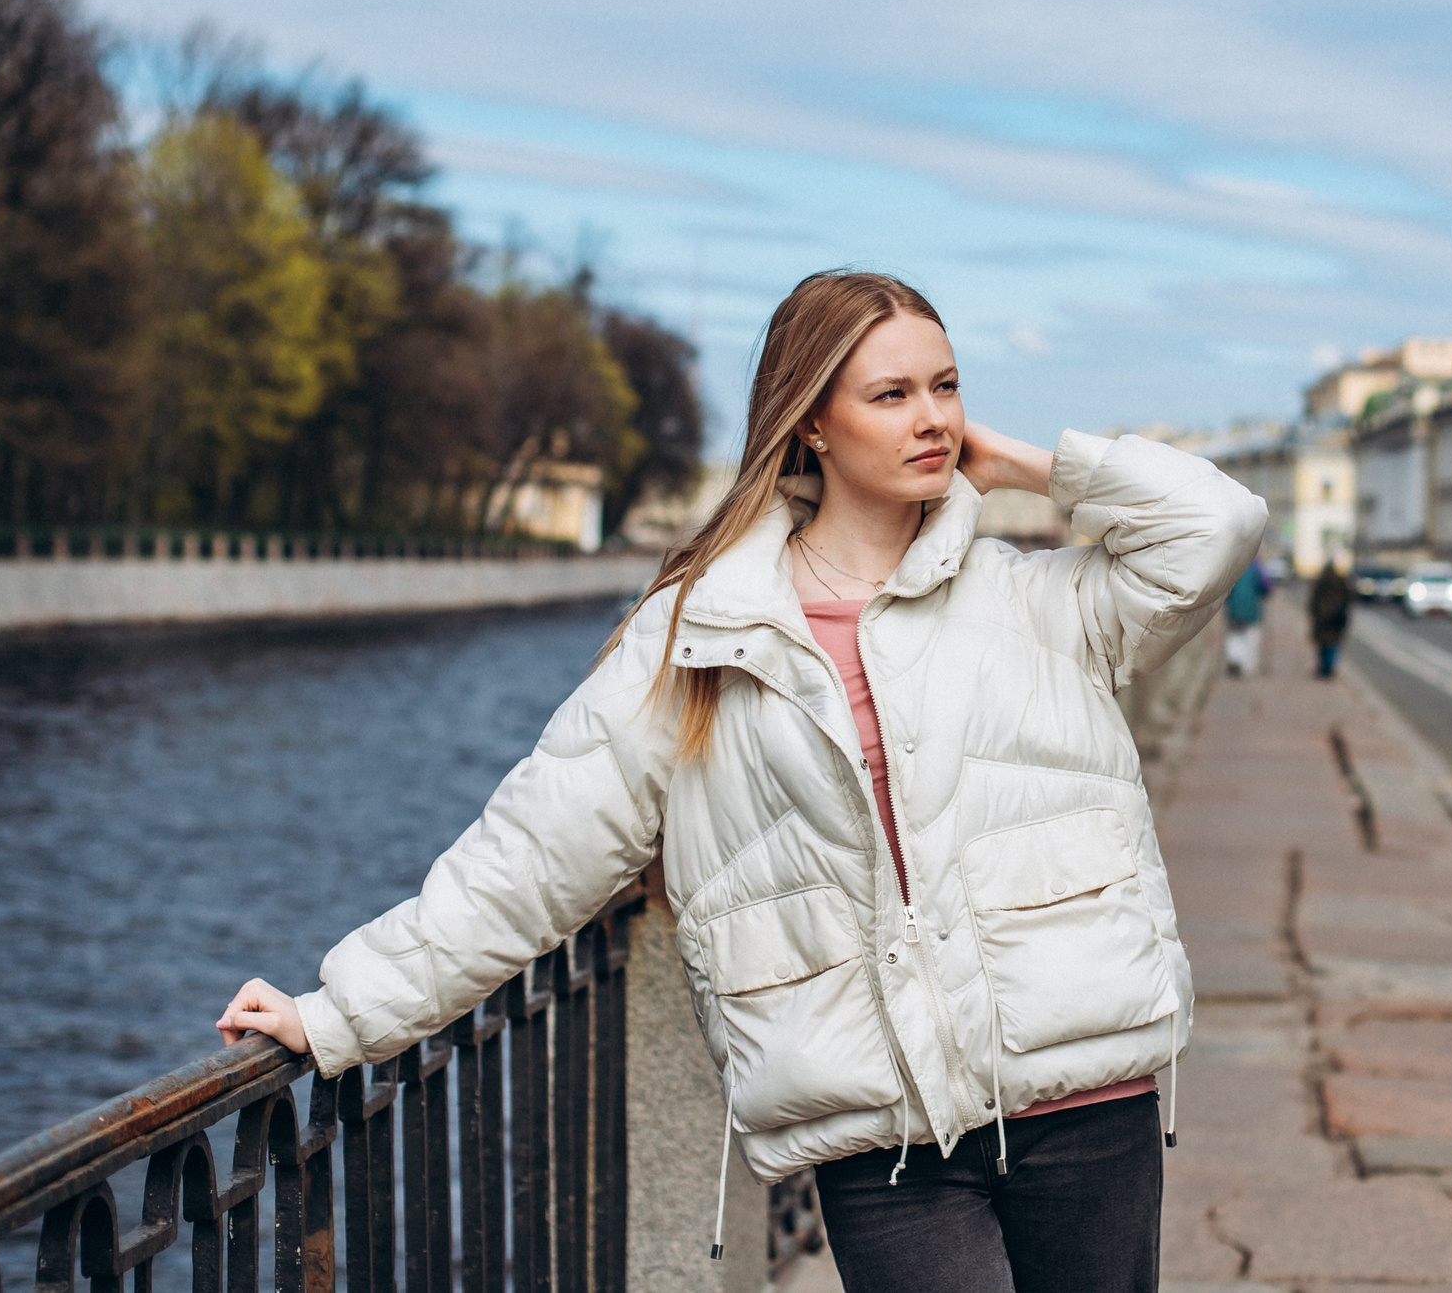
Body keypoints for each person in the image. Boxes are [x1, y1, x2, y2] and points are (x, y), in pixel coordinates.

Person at [217, 270, 1266, 1293]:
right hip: (884, 1139)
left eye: (945, 387)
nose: (931, 419)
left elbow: (1214, 529)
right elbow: (530, 857)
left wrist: (1028, 467)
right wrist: (340, 1012)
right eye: (890, 394)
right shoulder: (701, 636)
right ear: (811, 422)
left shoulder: (1037, 603)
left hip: (1086, 1100)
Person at [1308, 558, 1353, 679]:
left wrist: (1314, 613)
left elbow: (1313, 601)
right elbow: (1348, 600)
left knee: (1323, 645)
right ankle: (1329, 668)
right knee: (1333, 645)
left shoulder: (1320, 581)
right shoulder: (1341, 581)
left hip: (1322, 619)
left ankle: (1324, 668)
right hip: (1336, 619)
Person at [1222, 556, 1266, 677]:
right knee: (1250, 637)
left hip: (1234, 609)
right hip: (1252, 609)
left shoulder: (1233, 566)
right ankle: (1247, 667)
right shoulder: (1256, 567)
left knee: (1234, 635)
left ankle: (1234, 659)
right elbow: (1265, 586)